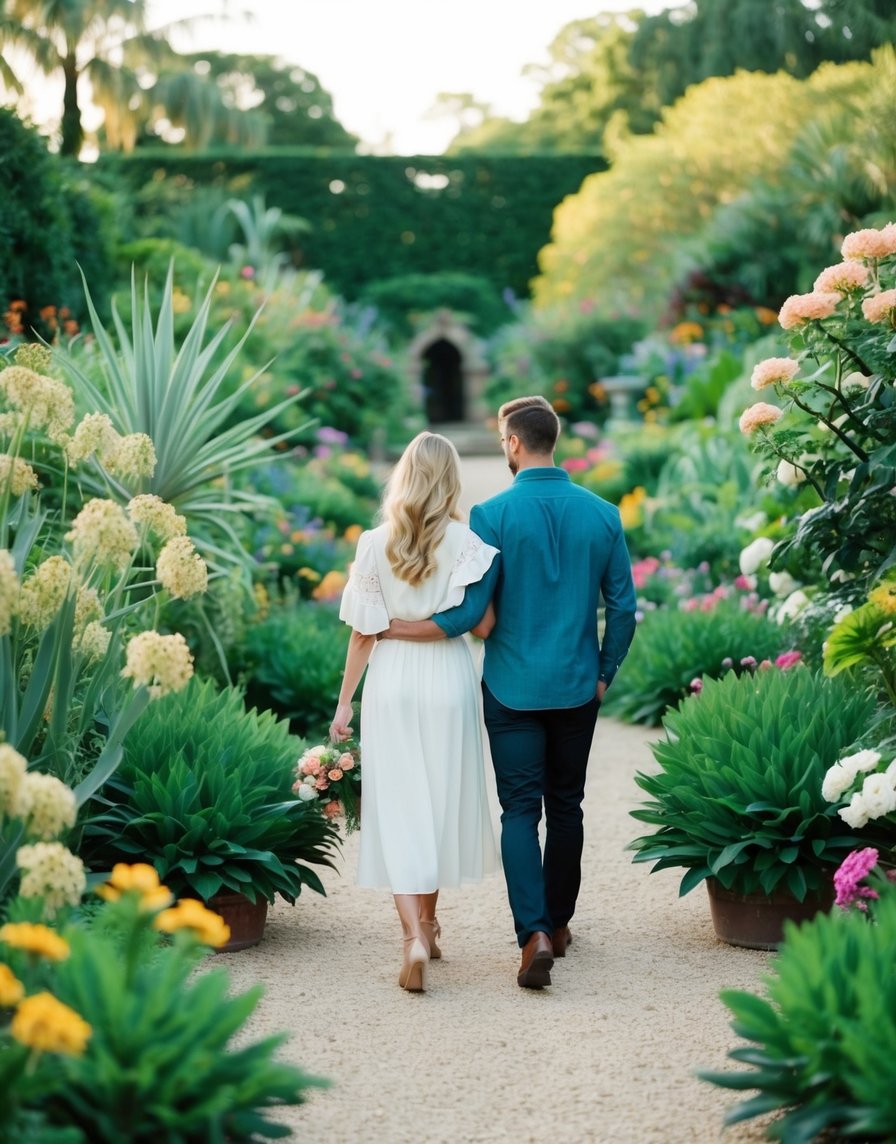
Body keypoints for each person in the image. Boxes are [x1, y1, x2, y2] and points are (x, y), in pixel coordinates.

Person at [383, 396, 637, 990]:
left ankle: (534, 933)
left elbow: (474, 614)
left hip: (511, 688)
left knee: (519, 811)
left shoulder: (492, 515)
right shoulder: (602, 514)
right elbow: (623, 609)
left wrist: (399, 627)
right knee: (567, 806)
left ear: (515, 443)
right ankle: (562, 924)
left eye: (503, 441)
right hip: (578, 686)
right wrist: (605, 673)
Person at [329, 431, 500, 994]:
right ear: (449, 478)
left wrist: (344, 704)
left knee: (401, 807)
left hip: (394, 677)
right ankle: (428, 925)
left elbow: (362, 633)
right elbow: (482, 625)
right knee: (436, 804)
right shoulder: (468, 543)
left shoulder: (373, 542)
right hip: (448, 677)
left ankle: (414, 939)